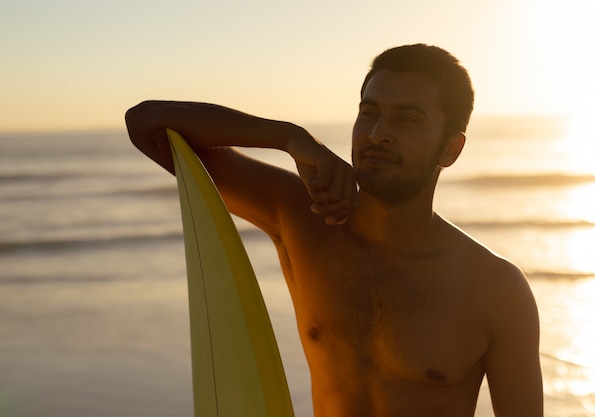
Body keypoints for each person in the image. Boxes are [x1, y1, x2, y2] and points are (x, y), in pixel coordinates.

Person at [125, 44, 543, 417]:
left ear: (450, 148)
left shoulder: (496, 289)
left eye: (407, 119)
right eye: (369, 113)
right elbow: (147, 125)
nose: (378, 135)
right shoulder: (300, 217)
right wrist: (288, 137)